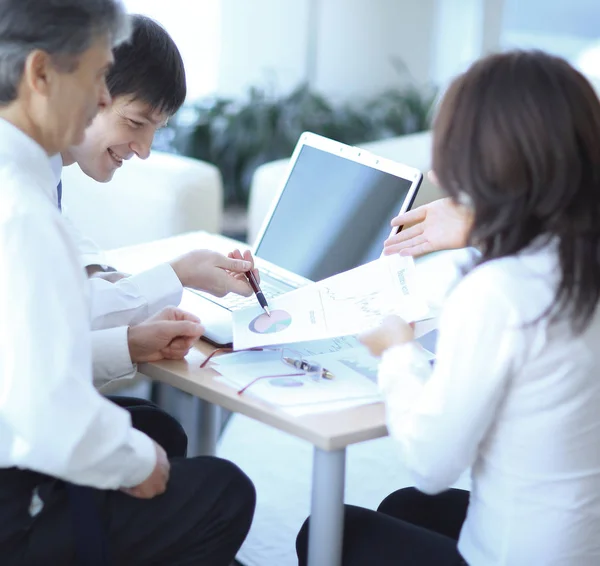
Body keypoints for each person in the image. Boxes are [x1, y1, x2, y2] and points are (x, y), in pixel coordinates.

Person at [297, 49, 600, 565]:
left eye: (452, 150)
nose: (437, 169)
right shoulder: (577, 259)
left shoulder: (497, 293)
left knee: (329, 532)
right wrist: (486, 223)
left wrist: (397, 351)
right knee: (405, 508)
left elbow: (432, 462)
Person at [0, 2, 254, 565]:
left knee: (156, 429)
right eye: (95, 78)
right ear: (40, 74)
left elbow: (23, 348)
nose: (99, 97)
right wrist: (135, 464)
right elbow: (40, 405)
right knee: (223, 491)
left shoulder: (25, 180)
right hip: (10, 505)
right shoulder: (20, 209)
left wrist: (128, 345)